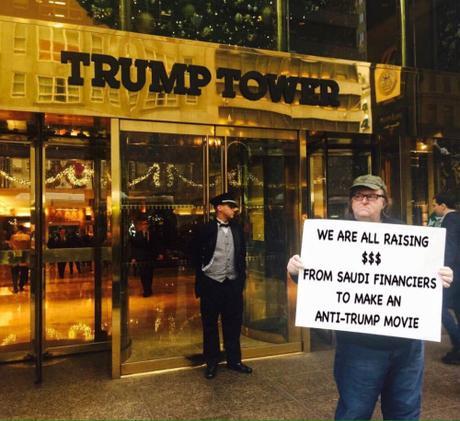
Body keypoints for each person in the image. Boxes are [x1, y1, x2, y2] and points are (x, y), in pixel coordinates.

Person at [287, 174, 453, 421]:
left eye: (371, 196)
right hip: (358, 347)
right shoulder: (330, 237)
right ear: (351, 202)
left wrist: (443, 276)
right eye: (358, 195)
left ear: (384, 201)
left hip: (407, 346)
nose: (364, 200)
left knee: (405, 413)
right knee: (354, 413)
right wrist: (296, 271)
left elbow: (423, 279)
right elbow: (322, 280)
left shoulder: (407, 235)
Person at [192, 192, 252, 379]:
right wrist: (203, 270)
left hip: (232, 284)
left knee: (233, 324)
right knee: (210, 325)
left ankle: (234, 361)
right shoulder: (205, 229)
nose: (235, 209)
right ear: (219, 208)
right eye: (230, 206)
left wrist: (240, 279)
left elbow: (241, 253)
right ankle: (211, 363)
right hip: (211, 283)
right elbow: (193, 252)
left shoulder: (237, 229)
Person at [432, 191, 460, 364]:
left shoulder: (449, 221)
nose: (434, 208)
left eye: (435, 205)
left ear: (443, 206)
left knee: (439, 307)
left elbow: (449, 249)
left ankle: (458, 344)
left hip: (453, 275)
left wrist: (443, 270)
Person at [129, 216, 161, 297]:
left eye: (146, 224)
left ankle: (148, 289)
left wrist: (158, 254)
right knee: (143, 274)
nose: (145, 226)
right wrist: (134, 257)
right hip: (141, 258)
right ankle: (146, 290)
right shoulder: (138, 235)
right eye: (143, 224)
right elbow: (135, 247)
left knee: (150, 274)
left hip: (150, 257)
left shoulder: (152, 234)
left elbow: (156, 245)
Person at [9, 225, 31, 293]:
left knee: (14, 272)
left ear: (18, 229)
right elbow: (29, 246)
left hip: (15, 256)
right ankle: (21, 286)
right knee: (23, 272)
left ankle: (15, 287)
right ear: (23, 229)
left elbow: (10, 246)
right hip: (24, 257)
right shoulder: (27, 237)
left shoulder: (13, 236)